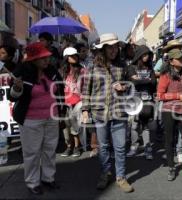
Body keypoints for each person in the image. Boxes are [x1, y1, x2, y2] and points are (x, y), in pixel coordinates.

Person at [8, 42, 65, 195]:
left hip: (51, 117)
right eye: (43, 58)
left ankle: (48, 178)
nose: (47, 60)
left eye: (47, 57)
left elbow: (60, 90)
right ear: (33, 59)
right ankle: (32, 182)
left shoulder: (51, 71)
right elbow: (12, 97)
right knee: (32, 152)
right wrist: (17, 88)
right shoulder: (22, 73)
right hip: (30, 119)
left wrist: (61, 111)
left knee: (49, 150)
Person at [81, 33, 134, 193]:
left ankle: (121, 177)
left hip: (118, 111)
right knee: (103, 146)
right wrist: (85, 109)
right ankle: (105, 173)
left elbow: (131, 86)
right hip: (99, 112)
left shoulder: (123, 65)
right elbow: (86, 89)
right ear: (103, 49)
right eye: (109, 47)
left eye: (115, 47)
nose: (113, 50)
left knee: (120, 146)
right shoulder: (92, 67)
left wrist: (124, 87)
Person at [157, 48, 182, 181]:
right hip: (169, 111)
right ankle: (171, 167)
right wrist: (178, 96)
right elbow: (160, 95)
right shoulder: (165, 75)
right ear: (172, 62)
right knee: (170, 139)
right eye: (178, 58)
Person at [126, 45, 157, 159]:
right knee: (134, 125)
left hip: (147, 101)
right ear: (139, 55)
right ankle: (134, 147)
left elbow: (154, 83)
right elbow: (134, 83)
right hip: (134, 101)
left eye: (148, 54)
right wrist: (147, 80)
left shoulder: (150, 68)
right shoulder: (131, 68)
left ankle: (147, 148)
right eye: (144, 54)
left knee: (145, 126)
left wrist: (142, 80)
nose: (147, 57)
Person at [60, 47, 85, 157]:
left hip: (78, 102)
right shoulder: (61, 71)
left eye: (75, 55)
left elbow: (86, 86)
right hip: (64, 103)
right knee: (66, 127)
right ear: (66, 57)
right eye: (71, 55)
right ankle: (68, 146)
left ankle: (76, 147)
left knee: (76, 127)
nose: (74, 57)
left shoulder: (82, 70)